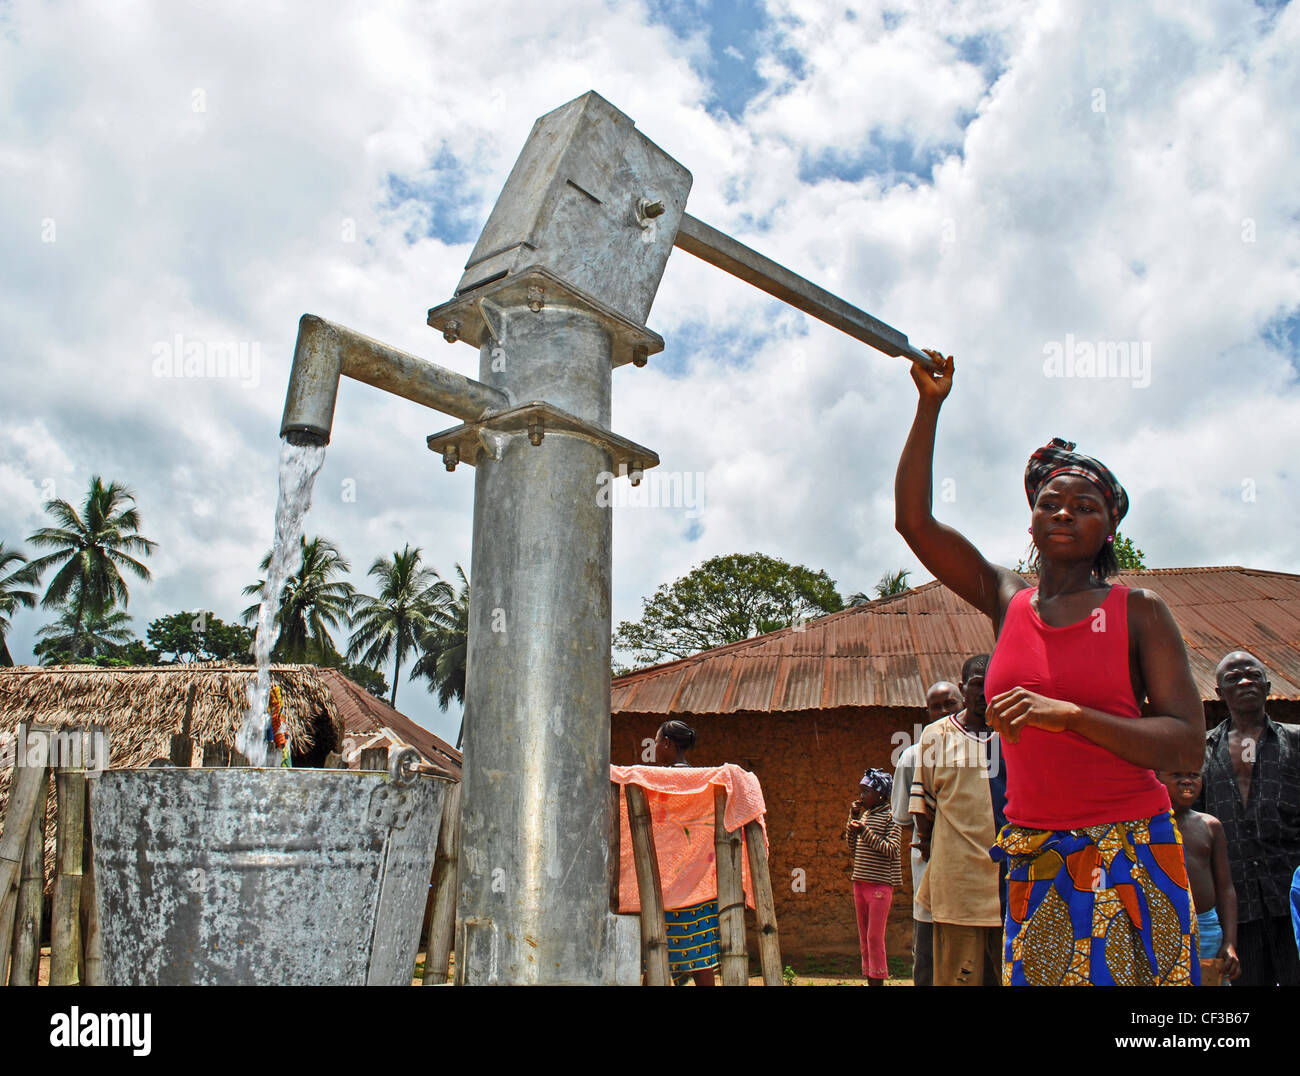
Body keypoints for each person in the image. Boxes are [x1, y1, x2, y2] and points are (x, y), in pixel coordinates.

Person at [894, 351, 1205, 986]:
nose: (1064, 512)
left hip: (1133, 846)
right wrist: (929, 407)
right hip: (1034, 848)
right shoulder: (1009, 600)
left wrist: (1067, 716)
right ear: (1032, 520)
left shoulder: (1138, 611)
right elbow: (914, 522)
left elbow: (1188, 743)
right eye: (1050, 502)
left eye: (1085, 505)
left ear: (1111, 523)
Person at [1195, 651, 1300, 986]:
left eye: (1252, 675)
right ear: (1218, 693)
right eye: (1232, 677)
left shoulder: (1295, 741)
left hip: (1291, 896)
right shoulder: (1203, 750)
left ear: (1268, 686)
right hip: (1238, 904)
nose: (1244, 681)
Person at [909, 655, 1005, 986]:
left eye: (991, 684)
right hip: (957, 888)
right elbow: (924, 812)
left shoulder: (1013, 734)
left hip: (1009, 885)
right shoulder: (936, 735)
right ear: (964, 688)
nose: (984, 693)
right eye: (977, 685)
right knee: (958, 977)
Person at [891, 680, 963, 986]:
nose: (944, 711)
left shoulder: (980, 753)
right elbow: (904, 819)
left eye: (951, 704)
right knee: (927, 960)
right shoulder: (911, 758)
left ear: (965, 704)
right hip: (929, 879)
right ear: (927, 712)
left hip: (971, 879)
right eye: (937, 706)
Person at [651, 720, 719, 986]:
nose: (655, 749)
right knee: (701, 959)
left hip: (668, 885)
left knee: (657, 953)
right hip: (698, 884)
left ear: (667, 743)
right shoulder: (699, 780)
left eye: (656, 742)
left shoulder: (663, 781)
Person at [1158, 769, 1240, 985]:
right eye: (1176, 774)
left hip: (1207, 929)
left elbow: (1225, 889)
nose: (1187, 781)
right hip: (1165, 930)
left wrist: (1230, 942)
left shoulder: (1210, 826)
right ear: (1157, 777)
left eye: (1194, 775)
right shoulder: (1147, 829)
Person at [845, 768, 901, 985]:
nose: (861, 797)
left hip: (880, 886)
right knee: (864, 939)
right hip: (860, 883)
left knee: (874, 937)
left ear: (881, 795)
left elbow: (892, 849)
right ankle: (870, 979)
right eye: (861, 792)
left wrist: (864, 832)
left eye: (866, 792)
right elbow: (852, 847)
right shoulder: (866, 815)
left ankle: (878, 980)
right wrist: (853, 819)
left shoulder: (892, 817)